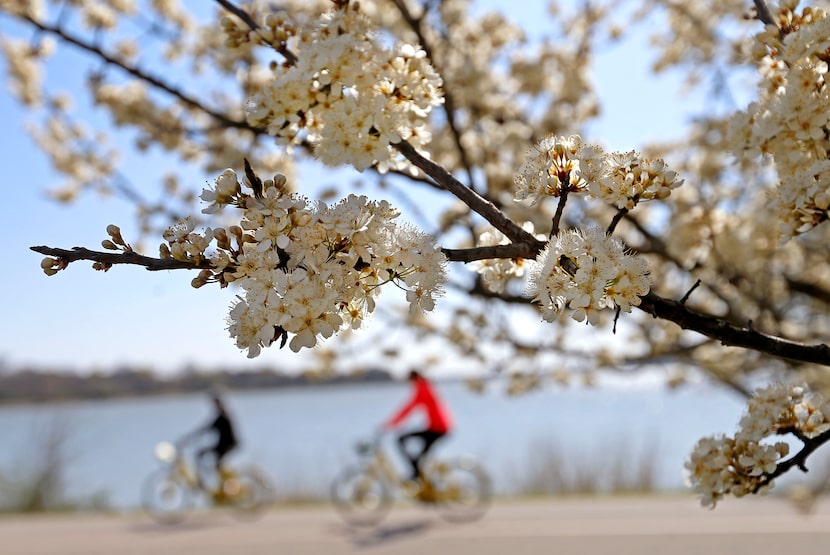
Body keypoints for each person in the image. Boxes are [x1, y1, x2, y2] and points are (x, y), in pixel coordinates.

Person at [383, 370, 453, 481]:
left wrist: (391, 424)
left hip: (438, 429)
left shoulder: (423, 389)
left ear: (413, 378)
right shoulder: (427, 386)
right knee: (421, 456)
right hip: (437, 427)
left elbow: (408, 408)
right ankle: (419, 475)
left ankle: (416, 474)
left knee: (402, 440)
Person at [182, 391, 239, 489]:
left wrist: (188, 439)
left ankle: (221, 486)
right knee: (212, 462)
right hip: (224, 445)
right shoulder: (222, 416)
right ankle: (218, 485)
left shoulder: (223, 417)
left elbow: (206, 428)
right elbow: (206, 428)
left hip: (227, 445)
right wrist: (189, 437)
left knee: (205, 457)